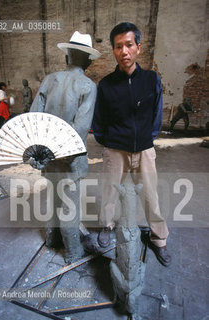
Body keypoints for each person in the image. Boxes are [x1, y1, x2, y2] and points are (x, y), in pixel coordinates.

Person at [92, 22, 171, 267]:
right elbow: (98, 121)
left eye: (128, 45)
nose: (124, 51)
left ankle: (159, 239)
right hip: (115, 149)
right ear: (113, 51)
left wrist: (148, 138)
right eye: (118, 46)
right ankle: (106, 226)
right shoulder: (105, 85)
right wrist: (109, 142)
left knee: (150, 195)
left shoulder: (151, 79)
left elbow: (157, 116)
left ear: (138, 46)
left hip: (145, 150)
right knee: (110, 192)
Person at [30, 31, 100, 264]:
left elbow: (33, 118)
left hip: (48, 158)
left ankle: (51, 239)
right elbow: (79, 130)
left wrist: (42, 152)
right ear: (88, 61)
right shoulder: (88, 86)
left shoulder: (49, 80)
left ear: (68, 56)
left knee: (53, 199)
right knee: (69, 206)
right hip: (71, 161)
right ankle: (72, 252)